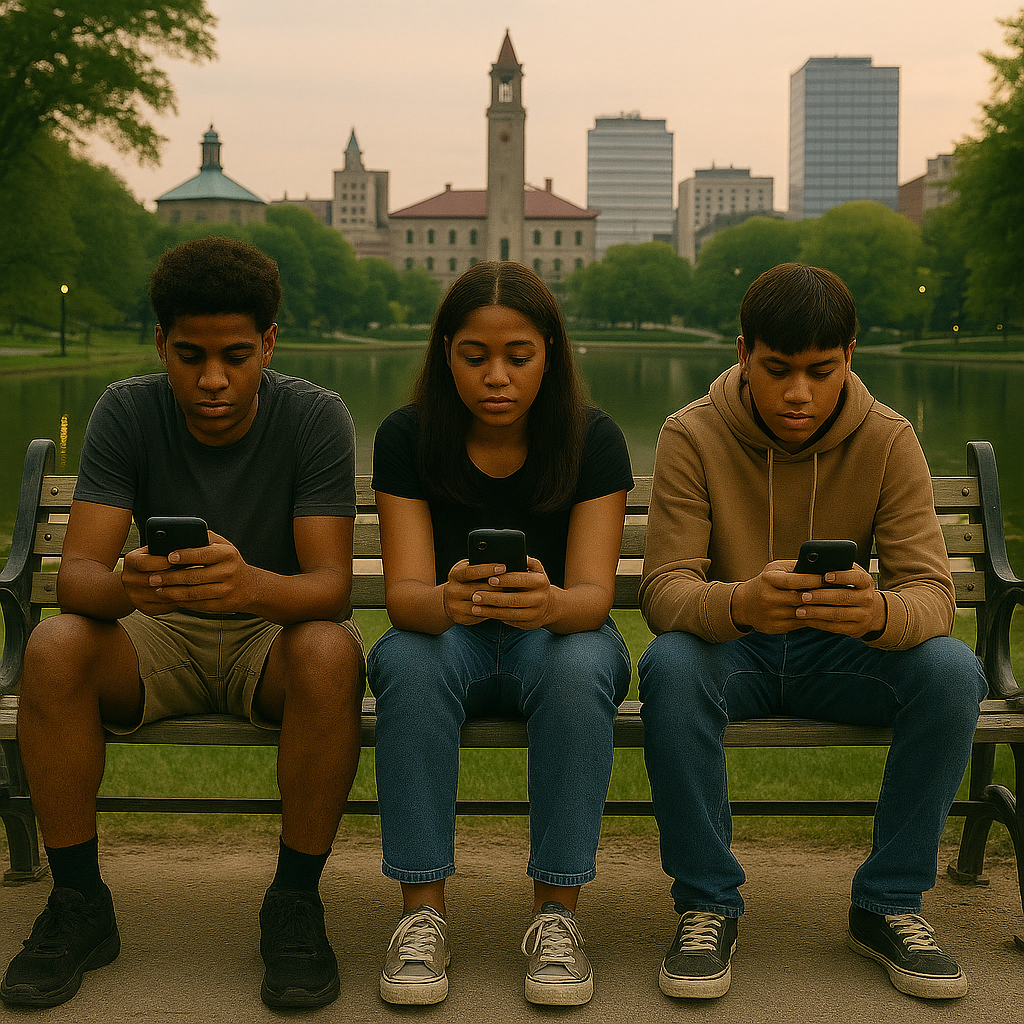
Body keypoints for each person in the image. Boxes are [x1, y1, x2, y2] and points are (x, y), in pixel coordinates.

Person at [0, 237, 364, 1011]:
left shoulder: (315, 416)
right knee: (56, 644)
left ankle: (293, 903)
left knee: (331, 654)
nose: (212, 381)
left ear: (269, 342)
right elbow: (77, 581)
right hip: (155, 634)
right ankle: (79, 904)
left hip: (271, 636)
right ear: (160, 343)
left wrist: (251, 583)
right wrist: (132, 585)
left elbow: (331, 590)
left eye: (236, 355)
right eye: (190, 355)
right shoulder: (128, 409)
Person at [637, 263, 987, 1002]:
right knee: (671, 665)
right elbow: (665, 590)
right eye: (778, 370)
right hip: (734, 653)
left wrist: (878, 614)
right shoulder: (691, 435)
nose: (799, 393)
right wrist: (740, 604)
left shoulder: (889, 439)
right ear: (743, 354)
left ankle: (887, 902)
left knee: (953, 672)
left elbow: (932, 593)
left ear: (848, 358)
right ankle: (707, 903)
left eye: (821, 371)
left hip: (845, 656)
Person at [367, 261, 632, 1007]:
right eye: (474, 357)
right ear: (445, 350)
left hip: (559, 637)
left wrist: (548, 603)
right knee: (411, 664)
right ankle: (422, 917)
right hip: (448, 638)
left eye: (519, 357)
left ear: (550, 351)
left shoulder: (592, 437)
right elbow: (405, 601)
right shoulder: (407, 435)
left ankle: (557, 917)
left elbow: (591, 598)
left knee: (581, 666)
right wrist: (447, 599)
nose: (497, 378)